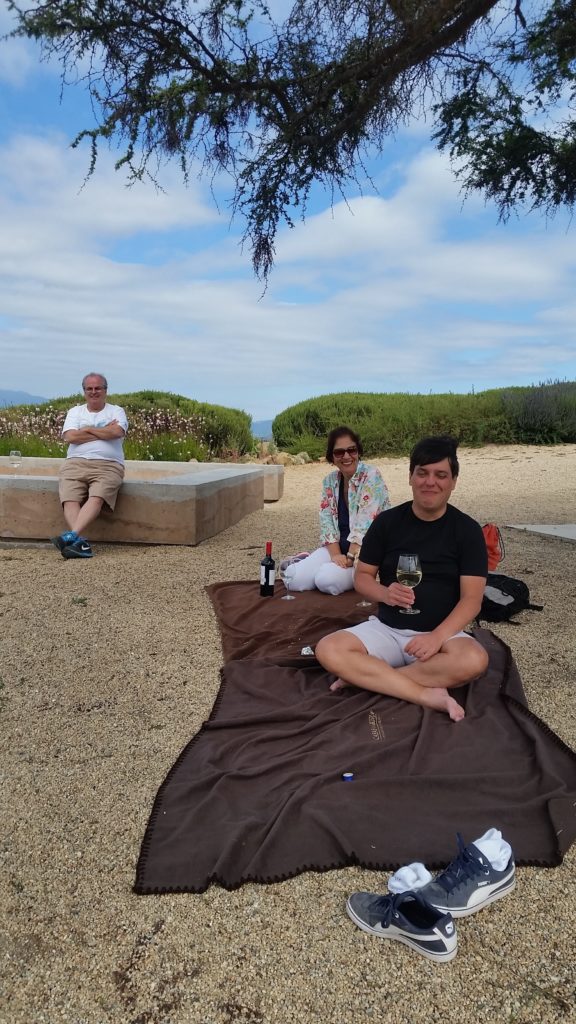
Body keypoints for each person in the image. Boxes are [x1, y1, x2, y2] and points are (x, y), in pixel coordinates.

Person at [315, 435, 488, 719]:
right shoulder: (387, 523)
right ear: (410, 477)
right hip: (389, 628)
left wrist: (436, 637)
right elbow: (362, 578)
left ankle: (371, 678)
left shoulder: (467, 531)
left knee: (474, 659)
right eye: (422, 473)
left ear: (453, 481)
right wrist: (384, 594)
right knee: (329, 649)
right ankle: (422, 693)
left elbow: (472, 600)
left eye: (440, 475)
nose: (430, 482)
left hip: (442, 634)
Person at [283, 426, 391, 596]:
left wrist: (348, 558)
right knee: (293, 578)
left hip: (364, 555)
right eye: (339, 452)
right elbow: (326, 521)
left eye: (352, 450)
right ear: (332, 457)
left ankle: (316, 565)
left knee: (326, 580)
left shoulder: (371, 476)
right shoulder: (330, 481)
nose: (347, 456)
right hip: (337, 549)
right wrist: (335, 556)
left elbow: (365, 525)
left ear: (358, 451)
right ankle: (310, 561)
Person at [50, 373, 128, 559]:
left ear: (105, 390)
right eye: (89, 389)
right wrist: (103, 431)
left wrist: (86, 429)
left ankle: (72, 536)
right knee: (70, 498)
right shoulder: (75, 412)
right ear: (84, 391)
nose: (94, 392)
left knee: (97, 496)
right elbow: (70, 437)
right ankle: (78, 542)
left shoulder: (117, 411)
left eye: (98, 388)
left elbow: (117, 431)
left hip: (108, 465)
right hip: (75, 463)